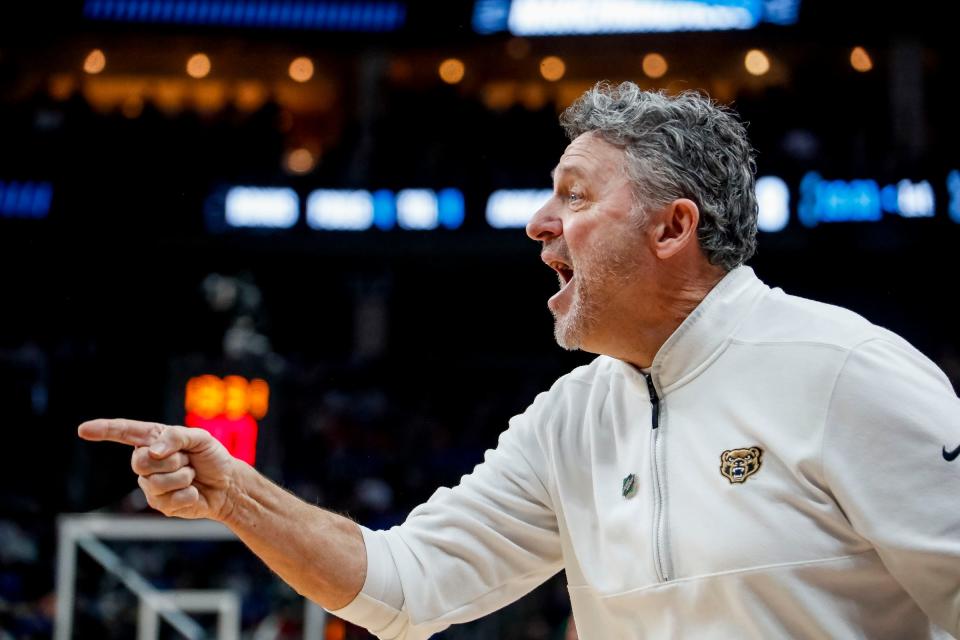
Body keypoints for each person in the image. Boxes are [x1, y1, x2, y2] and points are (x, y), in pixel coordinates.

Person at [78, 82, 960, 639]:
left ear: (672, 228)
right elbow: (406, 587)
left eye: (574, 196)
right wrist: (238, 494)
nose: (538, 223)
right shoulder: (569, 419)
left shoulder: (845, 370)